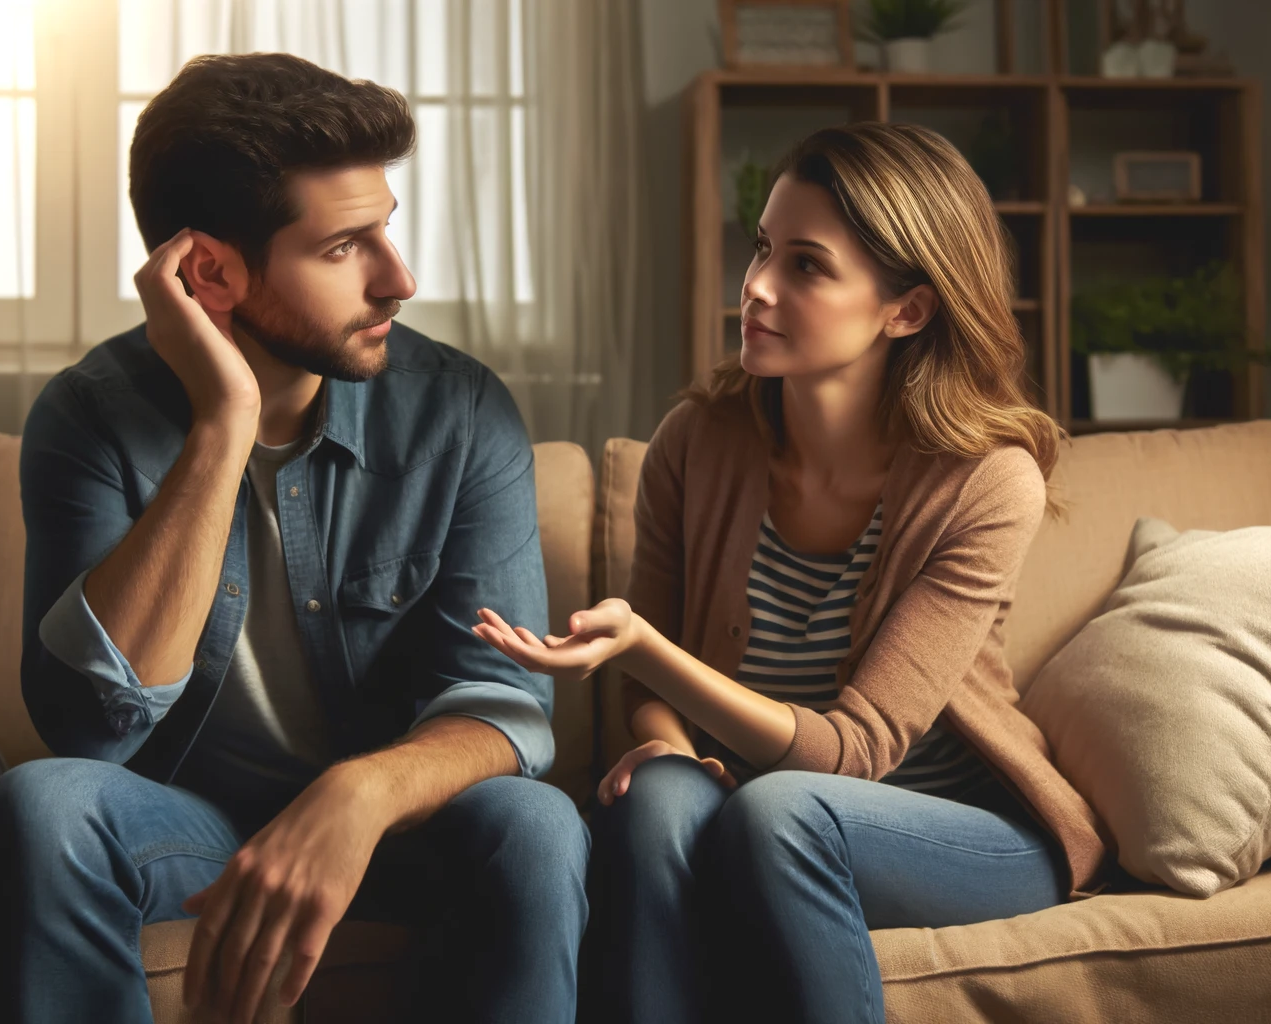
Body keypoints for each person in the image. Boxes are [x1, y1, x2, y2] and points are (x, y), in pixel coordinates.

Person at [0, 53, 588, 1024]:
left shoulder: (460, 412)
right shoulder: (90, 416)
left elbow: (506, 706)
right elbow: (89, 725)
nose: (400, 278)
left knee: (537, 824)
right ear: (210, 270)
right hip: (194, 833)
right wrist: (223, 423)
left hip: (399, 832)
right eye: (345, 248)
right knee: (42, 803)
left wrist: (360, 795)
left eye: (384, 226)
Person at [471, 122, 1110, 1023]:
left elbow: (854, 754)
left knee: (782, 814)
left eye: (807, 266)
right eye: (763, 247)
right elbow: (645, 702)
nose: (758, 286)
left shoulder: (986, 479)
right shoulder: (698, 441)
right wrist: (672, 747)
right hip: (753, 804)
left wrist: (648, 650)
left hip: (958, 830)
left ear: (908, 310)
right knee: (655, 798)